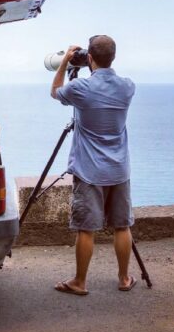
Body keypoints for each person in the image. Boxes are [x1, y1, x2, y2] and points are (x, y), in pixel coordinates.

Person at [50, 35, 137, 295]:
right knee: (122, 225)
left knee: (86, 229)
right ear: (113, 57)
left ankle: (80, 281)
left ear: (89, 58)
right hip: (119, 169)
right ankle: (124, 278)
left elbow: (55, 92)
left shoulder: (80, 89)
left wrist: (65, 62)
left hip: (89, 171)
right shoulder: (128, 87)